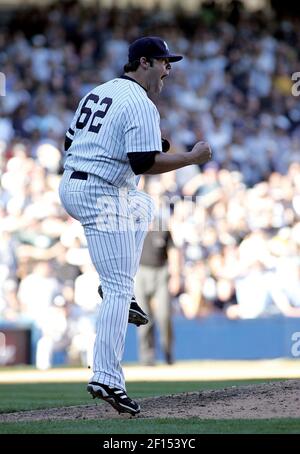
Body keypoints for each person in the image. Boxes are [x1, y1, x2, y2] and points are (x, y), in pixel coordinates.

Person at [59, 36, 212, 416]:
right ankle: (106, 377)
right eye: (163, 62)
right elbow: (144, 163)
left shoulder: (99, 92)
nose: (168, 69)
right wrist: (191, 158)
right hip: (101, 191)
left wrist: (143, 142)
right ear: (144, 62)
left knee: (144, 205)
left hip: (77, 184)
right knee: (117, 287)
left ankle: (119, 292)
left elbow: (70, 140)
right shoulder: (140, 101)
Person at [135, 223, 181, 366]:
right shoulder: (133, 226)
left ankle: (168, 352)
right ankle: (146, 356)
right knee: (143, 317)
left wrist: (176, 276)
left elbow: (173, 252)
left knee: (164, 315)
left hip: (161, 272)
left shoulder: (162, 228)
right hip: (140, 272)